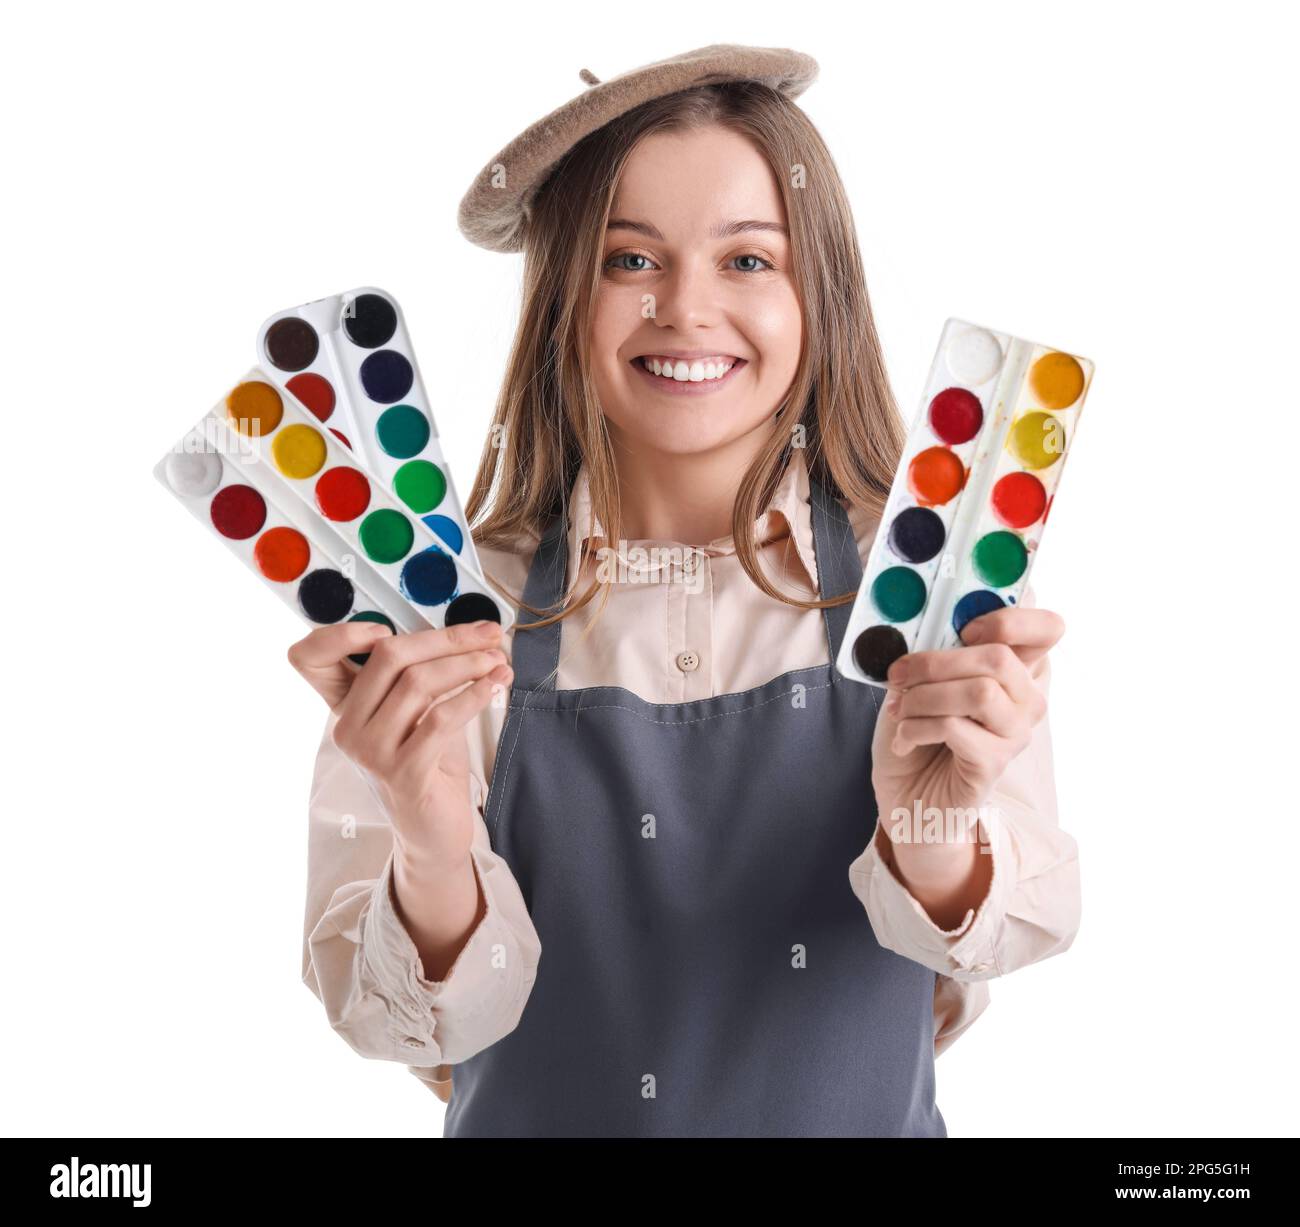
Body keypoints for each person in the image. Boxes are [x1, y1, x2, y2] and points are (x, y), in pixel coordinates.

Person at [290, 45, 1081, 1138]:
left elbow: (993, 945)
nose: (684, 308)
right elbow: (402, 1029)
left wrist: (931, 815)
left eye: (748, 260)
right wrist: (428, 837)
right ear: (564, 297)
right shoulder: (447, 617)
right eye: (628, 260)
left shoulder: (927, 586)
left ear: (821, 292)